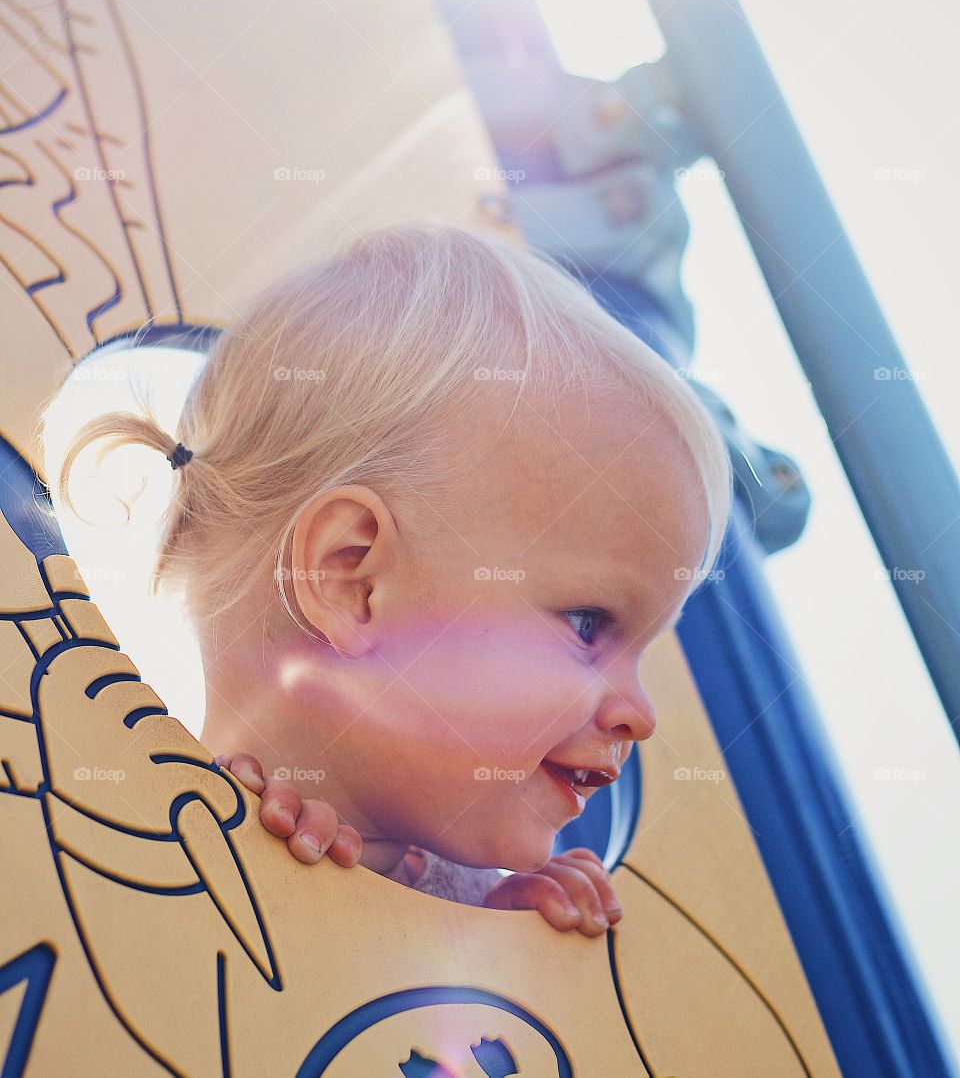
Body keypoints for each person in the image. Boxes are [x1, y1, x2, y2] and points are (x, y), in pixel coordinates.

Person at [52, 221, 732, 937]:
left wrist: (498, 944)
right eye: (590, 624)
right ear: (353, 581)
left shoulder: (491, 895)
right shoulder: (174, 845)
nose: (642, 714)